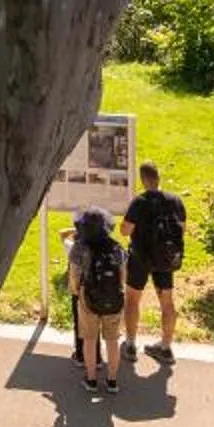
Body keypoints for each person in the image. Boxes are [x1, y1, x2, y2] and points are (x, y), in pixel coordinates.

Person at [118, 162, 186, 368]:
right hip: (165, 258)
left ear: (142, 179)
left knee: (132, 300)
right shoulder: (175, 201)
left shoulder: (139, 202)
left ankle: (130, 345)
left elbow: (125, 231)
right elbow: (182, 229)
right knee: (167, 302)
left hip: (140, 257)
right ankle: (165, 347)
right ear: (159, 177)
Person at [67, 207, 127, 395]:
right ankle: (112, 381)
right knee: (112, 340)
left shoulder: (79, 248)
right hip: (114, 297)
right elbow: (123, 274)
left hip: (88, 297)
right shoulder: (116, 247)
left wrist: (76, 291)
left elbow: (75, 275)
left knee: (90, 339)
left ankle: (91, 379)